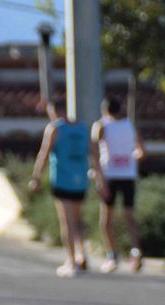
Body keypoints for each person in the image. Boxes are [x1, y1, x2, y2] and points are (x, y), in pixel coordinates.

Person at [29, 100, 97, 278]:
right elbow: (93, 153)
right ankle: (82, 253)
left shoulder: (54, 128)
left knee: (66, 221)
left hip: (62, 180)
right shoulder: (83, 128)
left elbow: (44, 153)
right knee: (78, 219)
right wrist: (100, 177)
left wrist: (36, 177)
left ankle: (71, 260)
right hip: (81, 180)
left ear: (57, 111)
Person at [91, 95, 145, 273]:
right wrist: (129, 158)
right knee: (130, 216)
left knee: (106, 220)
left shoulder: (101, 126)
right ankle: (136, 252)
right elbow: (141, 151)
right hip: (128, 175)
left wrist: (99, 180)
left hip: (110, 176)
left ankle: (112, 256)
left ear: (105, 110)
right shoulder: (129, 125)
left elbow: (95, 155)